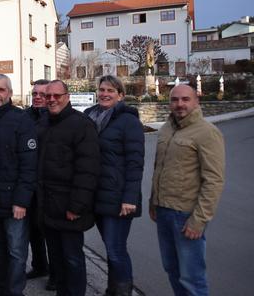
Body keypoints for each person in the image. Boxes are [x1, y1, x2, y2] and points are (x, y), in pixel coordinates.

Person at [150, 84, 225, 296]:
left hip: (186, 215)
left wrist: (199, 220)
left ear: (196, 101)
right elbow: (159, 168)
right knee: (171, 269)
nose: (179, 104)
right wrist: (153, 203)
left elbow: (214, 180)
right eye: (175, 100)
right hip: (163, 211)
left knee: (192, 277)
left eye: (185, 99)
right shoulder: (167, 128)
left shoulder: (207, 133)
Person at [36, 80, 99, 296]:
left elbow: (87, 170)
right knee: (57, 260)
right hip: (48, 207)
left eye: (57, 95)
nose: (52, 99)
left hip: (69, 208)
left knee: (72, 260)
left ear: (67, 96)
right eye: (48, 96)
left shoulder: (82, 124)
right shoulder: (44, 122)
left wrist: (77, 206)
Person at [84, 76, 144, 296]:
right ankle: (112, 290)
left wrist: (129, 197)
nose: (104, 93)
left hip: (119, 198)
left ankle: (122, 292)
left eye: (111, 90)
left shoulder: (128, 121)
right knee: (111, 250)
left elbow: (135, 162)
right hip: (98, 196)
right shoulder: (90, 116)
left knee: (116, 250)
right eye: (101, 89)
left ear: (120, 95)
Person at [0, 74, 37, 296]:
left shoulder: (21, 120)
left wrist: (22, 200)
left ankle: (15, 291)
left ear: (10, 93)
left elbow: (29, 164)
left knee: (16, 250)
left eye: (1, 90)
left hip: (14, 200)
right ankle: (0, 287)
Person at [24, 79, 55, 290]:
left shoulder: (55, 118)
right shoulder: (25, 116)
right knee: (33, 230)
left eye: (42, 94)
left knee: (50, 232)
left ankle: (56, 273)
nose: (37, 97)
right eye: (34, 93)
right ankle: (39, 265)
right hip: (30, 183)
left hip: (49, 185)